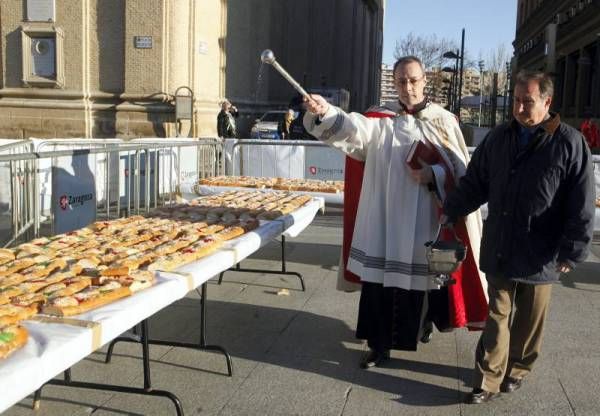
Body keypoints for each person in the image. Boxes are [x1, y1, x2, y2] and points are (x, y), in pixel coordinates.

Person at [303, 56, 488, 368]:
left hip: (425, 221)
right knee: (380, 287)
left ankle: (424, 326)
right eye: (401, 80)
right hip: (385, 221)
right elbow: (351, 128)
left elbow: (461, 173)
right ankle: (379, 346)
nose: (408, 87)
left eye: (413, 80)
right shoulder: (380, 120)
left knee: (427, 283)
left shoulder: (444, 121)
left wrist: (436, 176)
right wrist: (326, 111)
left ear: (424, 81)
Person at [442, 70, 595, 404]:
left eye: (528, 102)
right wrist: (452, 208)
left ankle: (518, 369)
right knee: (497, 315)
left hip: (543, 251)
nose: (520, 108)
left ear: (547, 102)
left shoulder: (570, 142)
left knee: (528, 321)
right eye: (516, 101)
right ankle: (488, 379)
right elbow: (475, 182)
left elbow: (581, 202)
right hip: (501, 242)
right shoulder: (499, 138)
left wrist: (573, 250)